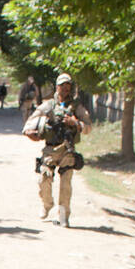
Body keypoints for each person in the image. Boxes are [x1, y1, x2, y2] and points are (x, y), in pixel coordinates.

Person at [23, 73, 91, 227]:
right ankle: (47, 204)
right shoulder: (49, 105)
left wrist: (76, 123)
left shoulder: (76, 107)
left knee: (65, 184)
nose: (65, 89)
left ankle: (63, 216)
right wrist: (28, 132)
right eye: (62, 85)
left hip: (67, 149)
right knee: (44, 178)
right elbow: (32, 120)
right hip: (50, 149)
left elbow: (88, 128)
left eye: (68, 86)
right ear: (57, 87)